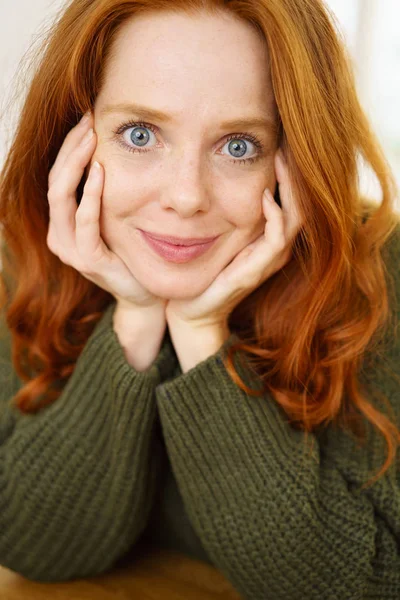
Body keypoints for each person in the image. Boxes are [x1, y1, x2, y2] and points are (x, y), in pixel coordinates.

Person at [0, 0, 399, 597]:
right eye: (140, 135)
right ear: (73, 141)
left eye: (239, 146)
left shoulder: (379, 273)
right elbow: (30, 543)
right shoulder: (21, 255)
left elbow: (359, 585)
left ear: (297, 159)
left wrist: (200, 328)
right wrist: (133, 323)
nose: (186, 197)